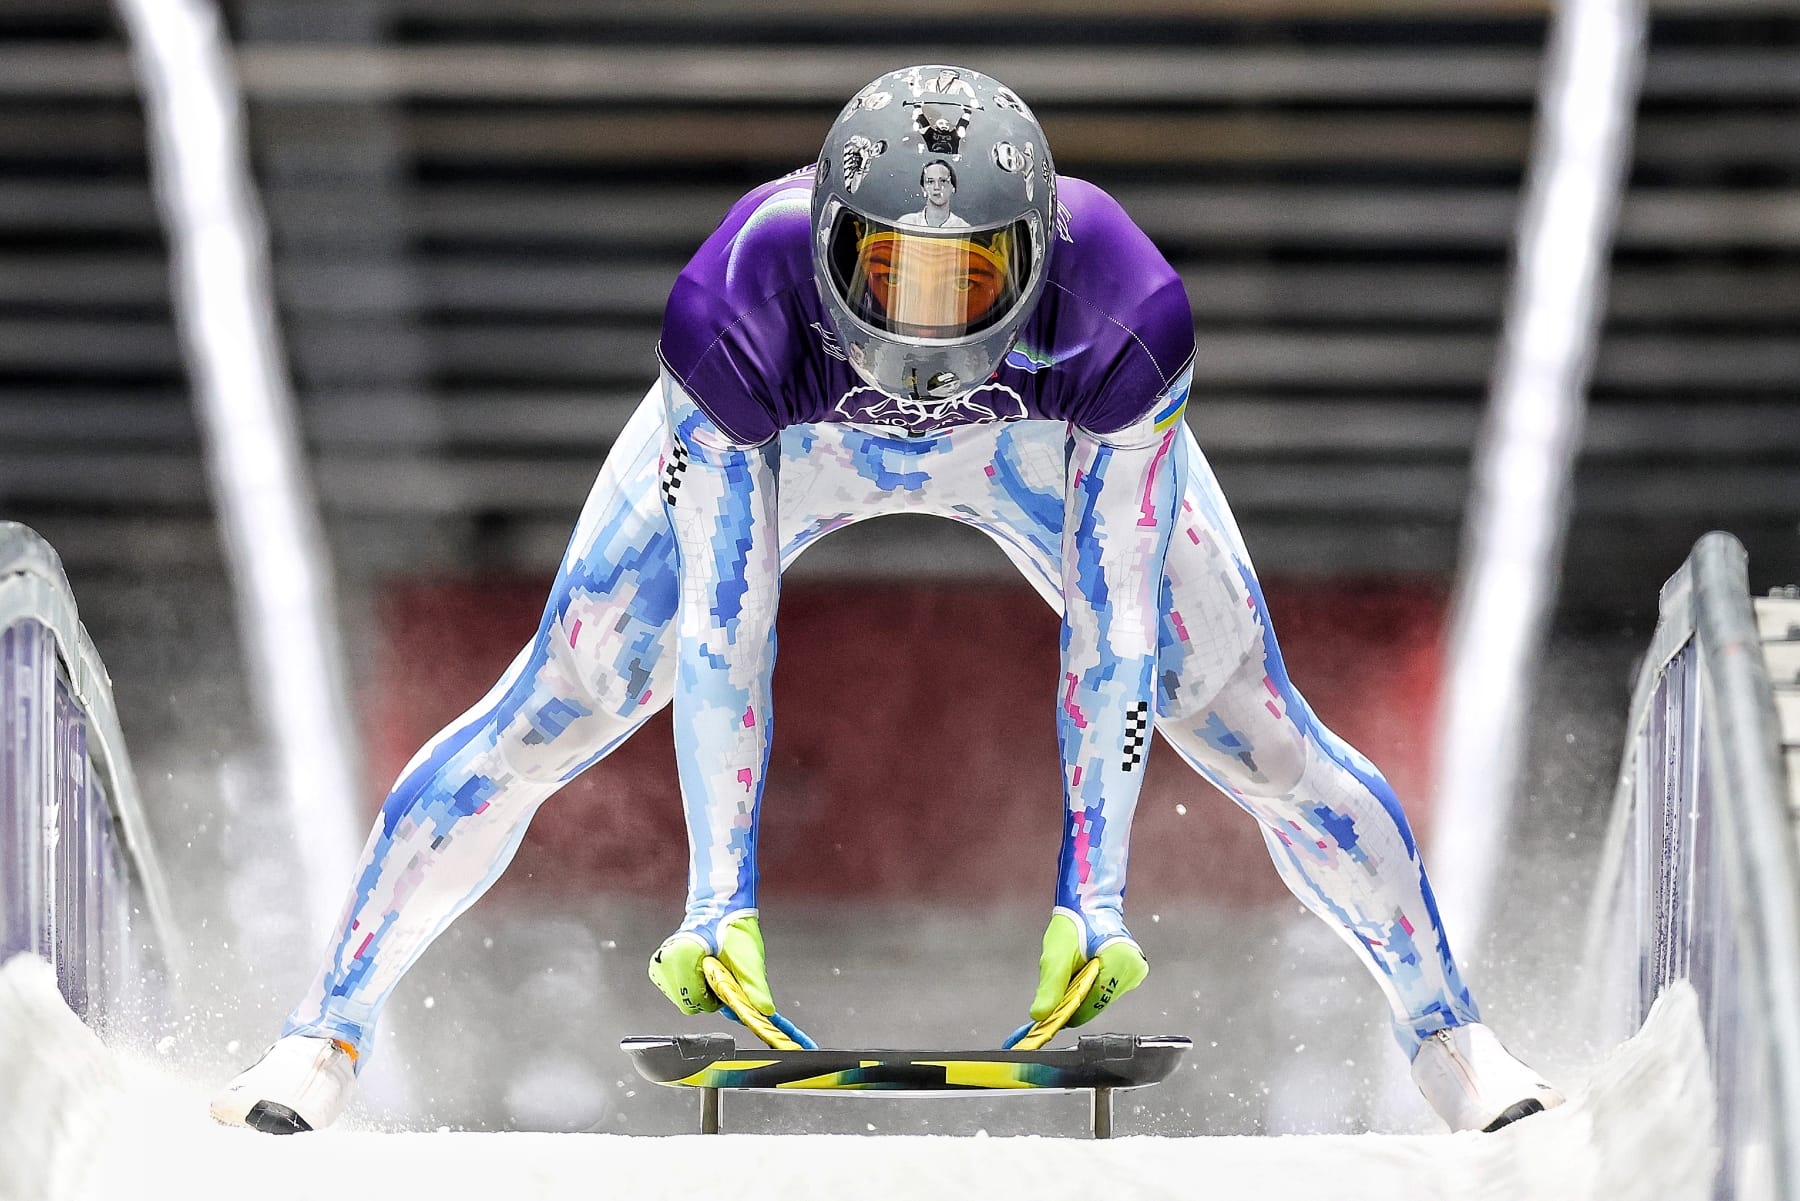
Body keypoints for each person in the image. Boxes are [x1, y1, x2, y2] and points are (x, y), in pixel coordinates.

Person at [212, 65, 1562, 1137]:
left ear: (1037, 255)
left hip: (1038, 443)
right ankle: (323, 1032)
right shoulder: (739, 291)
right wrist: (714, 900)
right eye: (891, 276)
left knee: (1256, 726)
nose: (923, 324)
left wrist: (1093, 898)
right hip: (796, 440)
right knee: (562, 696)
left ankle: (1453, 1039)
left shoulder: (1127, 308)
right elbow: (722, 629)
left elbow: (1119, 630)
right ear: (828, 241)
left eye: (967, 278)